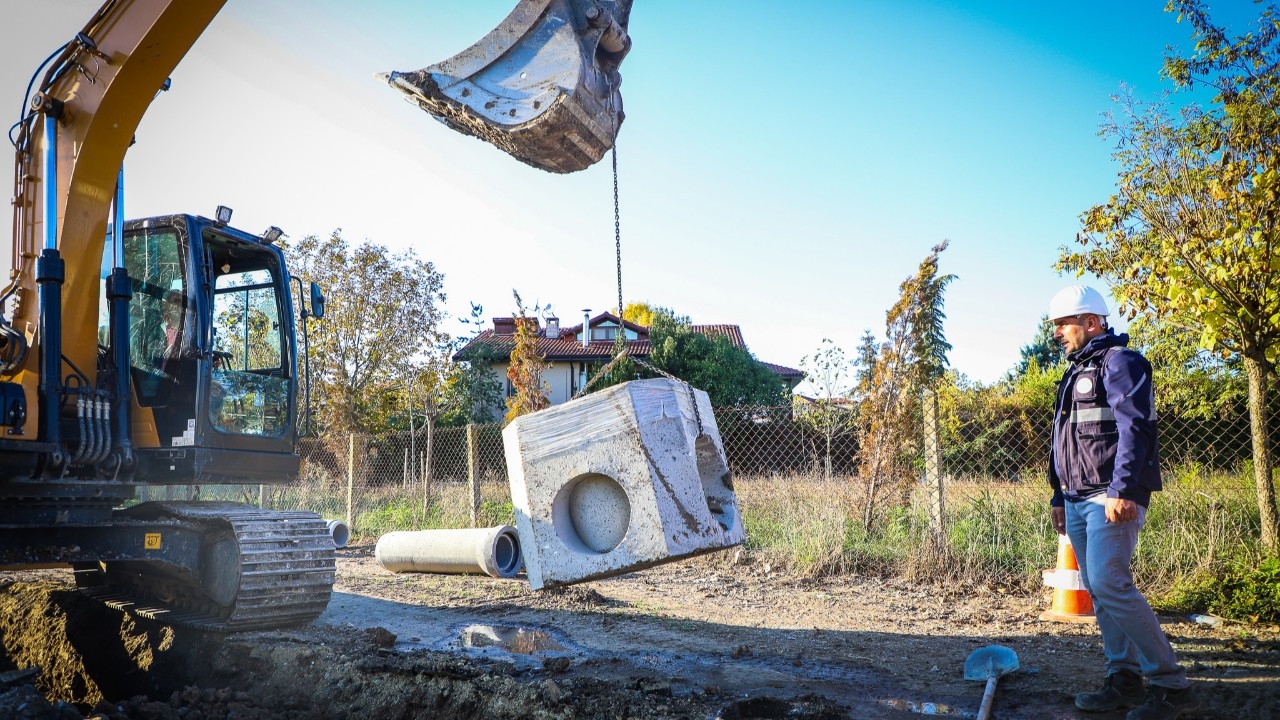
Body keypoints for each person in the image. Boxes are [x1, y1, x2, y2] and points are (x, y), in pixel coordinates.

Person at [1046, 285, 1199, 720]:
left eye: (1063, 324)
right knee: (1099, 587)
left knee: (1110, 580)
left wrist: (1125, 490)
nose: (1057, 333)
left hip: (1108, 495)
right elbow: (1063, 440)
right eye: (1055, 325)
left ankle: (1173, 688)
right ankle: (1124, 679)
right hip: (1077, 497)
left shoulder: (1122, 363)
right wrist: (1059, 494)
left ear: (1091, 322)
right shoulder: (1076, 371)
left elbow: (1137, 430)